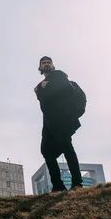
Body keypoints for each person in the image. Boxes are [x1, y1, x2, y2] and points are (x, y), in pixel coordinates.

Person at [34, 56, 83, 192]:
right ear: (40, 67)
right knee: (46, 151)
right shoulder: (41, 85)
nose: (46, 64)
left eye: (49, 62)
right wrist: (41, 88)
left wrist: (45, 87)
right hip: (49, 121)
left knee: (67, 148)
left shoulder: (59, 75)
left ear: (53, 65)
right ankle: (58, 185)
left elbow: (65, 90)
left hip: (61, 119)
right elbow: (41, 97)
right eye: (43, 63)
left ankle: (77, 183)